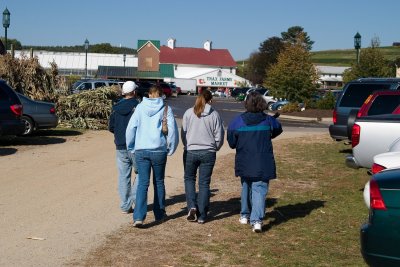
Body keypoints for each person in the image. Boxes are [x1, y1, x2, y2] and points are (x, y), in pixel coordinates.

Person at [227, 91, 282, 233]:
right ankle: (256, 220)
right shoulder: (268, 120)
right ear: (262, 104)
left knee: (246, 185)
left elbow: (231, 142)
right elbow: (278, 129)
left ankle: (245, 215)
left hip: (244, 160)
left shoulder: (237, 121)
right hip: (263, 160)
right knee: (259, 189)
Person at [126, 85, 179, 227]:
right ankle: (159, 214)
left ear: (149, 94)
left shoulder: (140, 108)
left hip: (141, 150)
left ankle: (138, 217)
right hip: (159, 150)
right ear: (161, 95)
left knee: (143, 184)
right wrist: (171, 147)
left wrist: (131, 146)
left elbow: (131, 128)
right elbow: (172, 131)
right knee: (159, 182)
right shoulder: (166, 108)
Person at [181, 89, 224, 224]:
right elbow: (219, 135)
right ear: (210, 100)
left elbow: (183, 133)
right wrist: (215, 147)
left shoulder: (188, 113)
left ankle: (192, 206)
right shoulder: (215, 114)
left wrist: (187, 144)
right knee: (204, 183)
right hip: (208, 151)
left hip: (191, 150)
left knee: (189, 179)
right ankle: (202, 215)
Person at [108, 81, 140, 214]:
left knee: (123, 176)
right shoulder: (138, 106)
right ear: (134, 92)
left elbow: (111, 127)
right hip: (136, 146)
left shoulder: (115, 107)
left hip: (120, 145)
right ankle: (135, 199)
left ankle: (125, 205)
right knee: (141, 173)